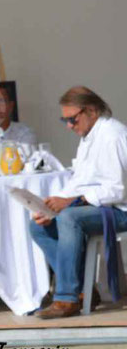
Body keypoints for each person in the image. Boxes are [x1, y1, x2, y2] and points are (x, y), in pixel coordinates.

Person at [30, 86, 127, 319]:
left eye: (72, 119)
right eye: (64, 120)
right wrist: (51, 205)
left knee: (69, 217)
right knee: (38, 226)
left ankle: (66, 298)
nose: (69, 126)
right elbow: (78, 181)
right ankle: (83, 290)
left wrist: (70, 202)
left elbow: (117, 189)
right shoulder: (88, 137)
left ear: (91, 111)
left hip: (120, 208)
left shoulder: (113, 136)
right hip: (99, 206)